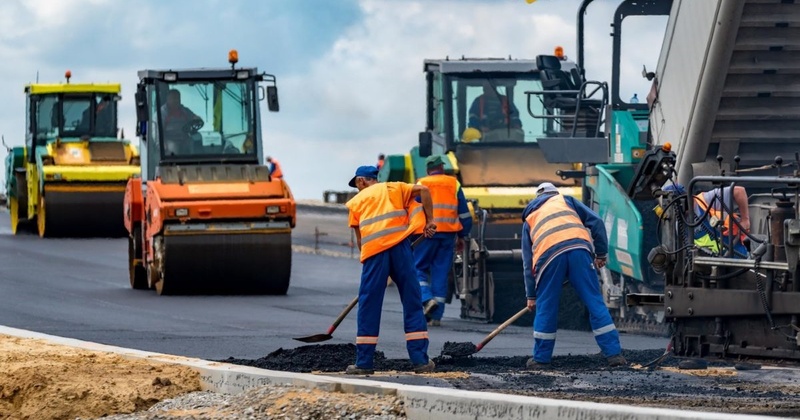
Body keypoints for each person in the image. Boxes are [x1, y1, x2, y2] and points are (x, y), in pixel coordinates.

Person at [344, 165, 437, 375]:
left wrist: (371, 268)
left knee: (369, 304)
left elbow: (360, 241)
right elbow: (424, 190)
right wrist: (430, 220)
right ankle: (421, 361)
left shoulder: (356, 202)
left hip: (375, 254)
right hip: (401, 249)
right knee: (412, 301)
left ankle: (364, 363)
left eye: (357, 184)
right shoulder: (394, 188)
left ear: (361, 181)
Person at [521, 182, 626, 368]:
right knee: (595, 302)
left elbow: (528, 262)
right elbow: (597, 223)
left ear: (537, 198)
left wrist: (531, 295)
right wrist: (601, 253)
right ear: (555, 193)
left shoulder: (530, 217)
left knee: (546, 306)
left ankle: (541, 359)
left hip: (548, 257)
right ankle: (614, 355)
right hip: (579, 250)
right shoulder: (566, 201)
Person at [412, 155, 472, 326]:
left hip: (426, 234)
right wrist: (463, 235)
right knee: (440, 273)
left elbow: (414, 209)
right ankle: (436, 317)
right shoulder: (454, 183)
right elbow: (465, 214)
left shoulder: (421, 183)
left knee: (417, 268)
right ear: (442, 168)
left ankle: (426, 298)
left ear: (428, 169)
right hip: (448, 235)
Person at [663, 182, 750, 258]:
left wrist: (745, 220)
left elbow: (739, 191)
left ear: (683, 200)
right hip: (711, 266)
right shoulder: (680, 225)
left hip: (738, 257)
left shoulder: (706, 200)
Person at [160, 89, 203, 154]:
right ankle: (173, 163)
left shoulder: (184, 110)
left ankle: (197, 161)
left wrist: (197, 118)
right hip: (169, 139)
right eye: (173, 98)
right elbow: (157, 131)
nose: (176, 101)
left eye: (178, 98)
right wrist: (161, 143)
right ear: (168, 99)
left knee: (196, 139)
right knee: (173, 146)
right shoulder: (162, 113)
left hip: (184, 137)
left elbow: (193, 117)